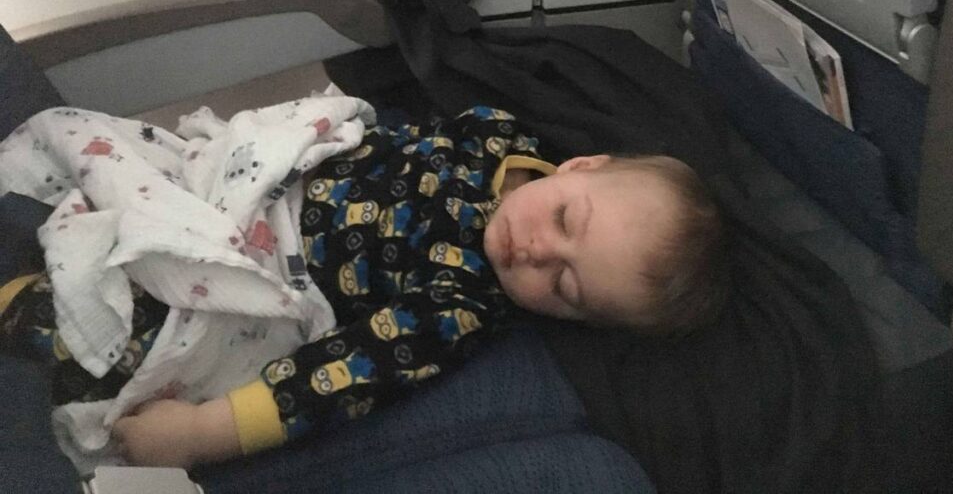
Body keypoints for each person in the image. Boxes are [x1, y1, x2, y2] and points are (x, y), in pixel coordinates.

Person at [0, 106, 729, 469]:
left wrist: (202, 434)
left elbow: (341, 377)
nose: (536, 251)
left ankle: (43, 303)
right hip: (263, 179)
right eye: (566, 221)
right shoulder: (495, 132)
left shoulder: (463, 305)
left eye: (564, 286)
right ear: (582, 167)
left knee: (111, 325)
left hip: (275, 265)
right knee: (81, 135)